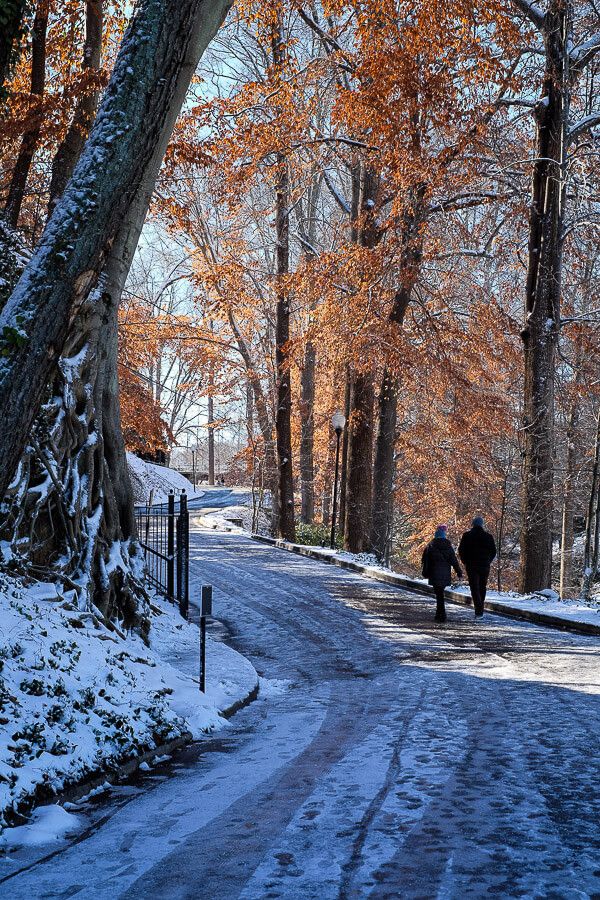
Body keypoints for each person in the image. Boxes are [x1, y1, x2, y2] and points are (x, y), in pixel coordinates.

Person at [422, 525, 463, 623]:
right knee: (440, 593)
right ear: (444, 536)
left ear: (436, 536)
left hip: (434, 573)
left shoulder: (430, 546)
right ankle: (440, 613)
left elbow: (425, 560)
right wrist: (459, 572)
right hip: (445, 574)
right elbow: (454, 561)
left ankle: (441, 614)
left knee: (439, 594)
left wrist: (425, 572)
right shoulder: (448, 547)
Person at [458, 516, 497, 620]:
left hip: (471, 565)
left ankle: (478, 610)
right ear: (482, 524)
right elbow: (494, 551)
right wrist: (488, 561)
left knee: (474, 587)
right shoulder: (488, 536)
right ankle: (480, 609)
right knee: (482, 586)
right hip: (484, 565)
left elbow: (461, 550)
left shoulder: (467, 536)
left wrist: (465, 561)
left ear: (473, 524)